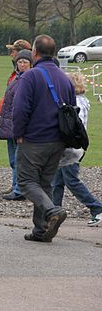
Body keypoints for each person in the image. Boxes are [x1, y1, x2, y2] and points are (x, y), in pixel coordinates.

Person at [12, 35, 74, 243]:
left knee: (27, 181)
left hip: (35, 139)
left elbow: (20, 109)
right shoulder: (65, 78)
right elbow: (73, 110)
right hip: (58, 140)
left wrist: (18, 133)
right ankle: (41, 230)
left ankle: (52, 211)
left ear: (34, 53)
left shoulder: (31, 76)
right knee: (44, 183)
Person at [52, 71, 102, 227]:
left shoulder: (75, 104)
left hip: (71, 149)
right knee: (57, 181)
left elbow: (70, 126)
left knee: (71, 181)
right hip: (74, 147)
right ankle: (53, 211)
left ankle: (97, 208)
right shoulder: (83, 100)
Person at [0, 39, 32, 195]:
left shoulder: (28, 78)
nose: (11, 55)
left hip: (18, 124)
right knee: (13, 159)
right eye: (18, 61)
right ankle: (16, 184)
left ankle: (20, 188)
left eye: (14, 51)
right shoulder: (15, 76)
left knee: (18, 158)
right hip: (10, 123)